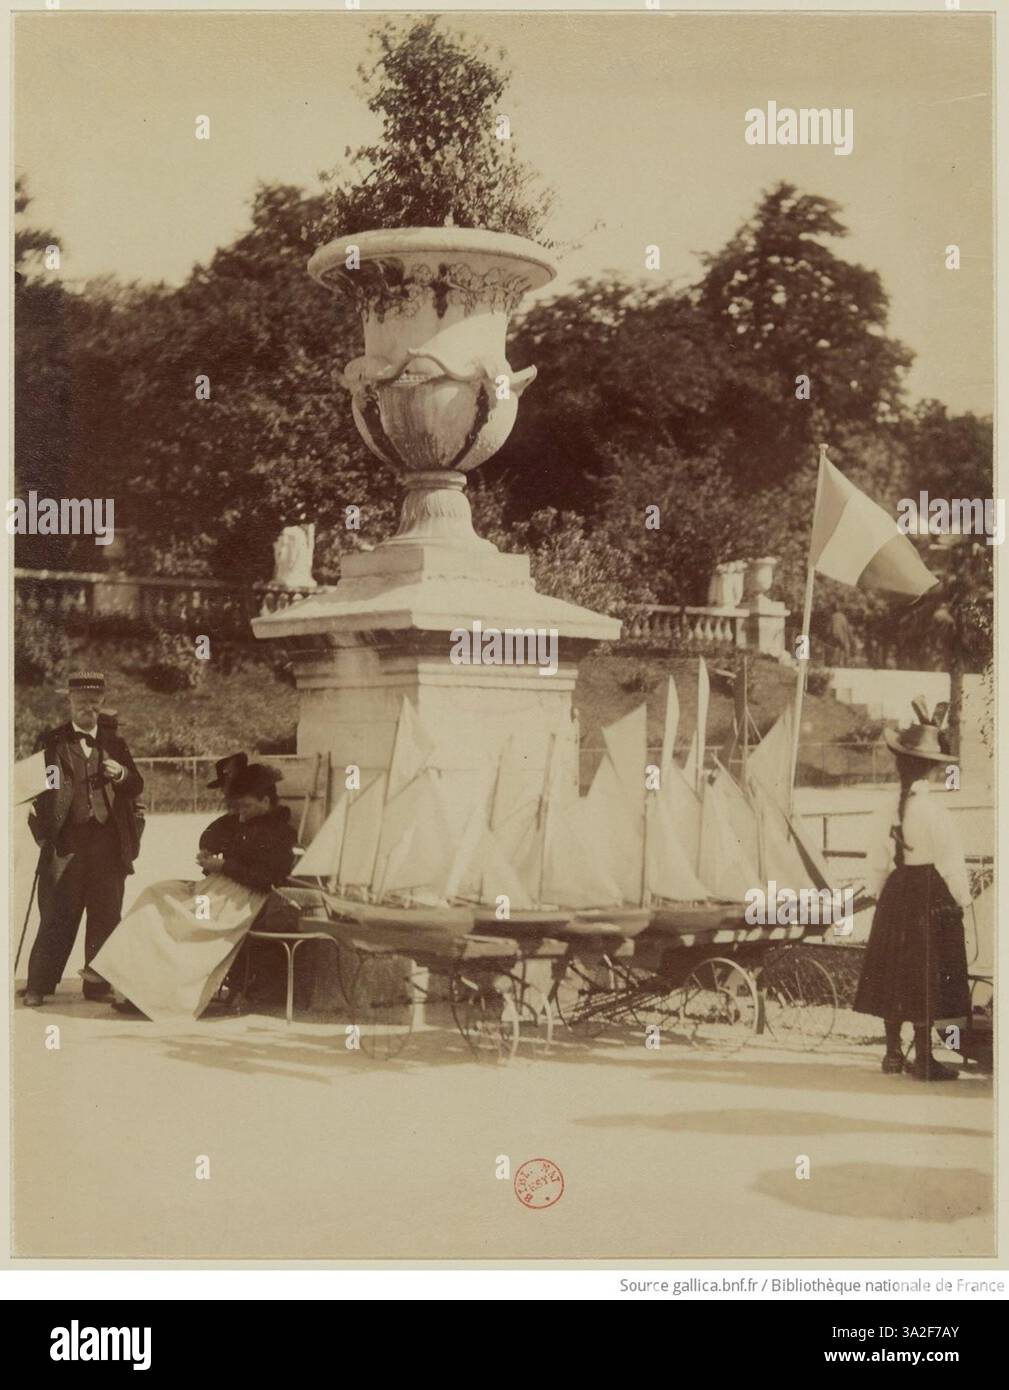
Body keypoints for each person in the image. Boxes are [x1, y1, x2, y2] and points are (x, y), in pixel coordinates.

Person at [89, 763, 298, 1022]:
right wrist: (210, 856)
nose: (241, 813)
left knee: (179, 922)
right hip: (217, 890)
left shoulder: (282, 834)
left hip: (240, 902)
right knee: (155, 894)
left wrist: (224, 866)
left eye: (246, 806)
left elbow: (269, 879)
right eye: (238, 807)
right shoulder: (244, 822)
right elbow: (216, 837)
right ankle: (122, 975)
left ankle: (158, 997)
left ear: (266, 800)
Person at [853, 707, 971, 1081]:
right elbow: (951, 864)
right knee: (927, 971)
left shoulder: (885, 808)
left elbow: (876, 862)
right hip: (929, 893)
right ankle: (923, 1058)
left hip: (897, 892)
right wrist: (963, 901)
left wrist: (882, 895)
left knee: (894, 969)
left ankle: (891, 1055)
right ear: (931, 768)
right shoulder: (937, 813)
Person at [22, 672, 144, 1007]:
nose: (88, 707)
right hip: (67, 840)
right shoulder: (52, 741)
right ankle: (39, 985)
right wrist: (44, 832)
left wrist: (121, 774)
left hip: (108, 840)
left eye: (94, 701)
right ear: (69, 703)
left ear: (102, 702)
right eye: (81, 702)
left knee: (107, 912)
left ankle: (98, 983)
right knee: (58, 910)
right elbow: (37, 788)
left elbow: (137, 786)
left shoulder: (115, 742)